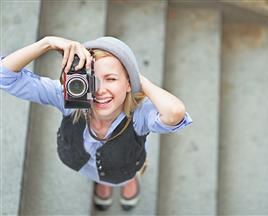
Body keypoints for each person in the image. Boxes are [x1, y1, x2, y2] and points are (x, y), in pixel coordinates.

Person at [0, 36, 192, 211]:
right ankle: (104, 181)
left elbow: (174, 112)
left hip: (124, 166)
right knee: (101, 175)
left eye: (111, 79)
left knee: (122, 176)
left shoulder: (138, 115)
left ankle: (128, 180)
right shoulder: (72, 100)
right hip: (82, 162)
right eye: (92, 80)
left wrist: (137, 79)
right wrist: (47, 43)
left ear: (128, 83)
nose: (100, 90)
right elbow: (5, 75)